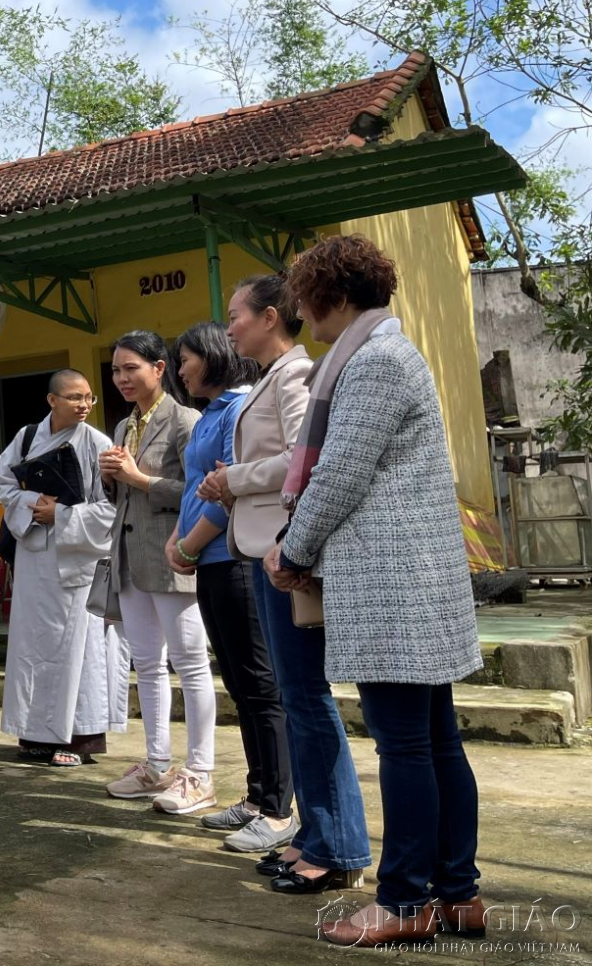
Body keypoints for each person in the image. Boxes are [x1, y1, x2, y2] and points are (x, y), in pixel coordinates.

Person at [265, 235, 482, 948]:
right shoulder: (381, 354)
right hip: (413, 581)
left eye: (304, 294)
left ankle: (404, 900)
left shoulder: (374, 361)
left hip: (395, 586)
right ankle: (456, 893)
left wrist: (292, 548)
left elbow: (341, 474)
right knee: (435, 742)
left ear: (333, 294)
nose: (300, 308)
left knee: (408, 748)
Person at [200, 274, 372, 887]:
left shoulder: (297, 374)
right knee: (298, 699)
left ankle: (339, 846)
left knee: (305, 698)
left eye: (236, 314)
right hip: (266, 551)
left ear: (271, 317)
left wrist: (236, 479)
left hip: (286, 553)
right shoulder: (268, 380)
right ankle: (316, 834)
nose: (229, 327)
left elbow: (306, 458)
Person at [169, 322, 294, 846]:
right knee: (241, 687)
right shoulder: (209, 416)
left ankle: (279, 808)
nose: (181, 371)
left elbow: (231, 493)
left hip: (234, 557)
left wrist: (189, 543)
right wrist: (178, 539)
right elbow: (198, 490)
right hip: (209, 563)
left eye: (186, 359)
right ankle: (256, 793)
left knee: (261, 685)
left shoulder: (240, 409)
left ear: (215, 356)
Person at [99, 331, 214, 813]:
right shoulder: (126, 425)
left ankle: (201, 770)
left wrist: (138, 479)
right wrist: (110, 480)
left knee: (190, 662)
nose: (122, 378)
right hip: (129, 556)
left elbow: (198, 489)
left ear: (160, 368)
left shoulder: (186, 421)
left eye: (131, 368)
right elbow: (122, 497)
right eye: (116, 370)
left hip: (171, 556)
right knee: (145, 663)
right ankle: (156, 762)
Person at [0, 369, 127, 767]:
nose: (84, 404)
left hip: (77, 560)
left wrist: (63, 514)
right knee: (32, 644)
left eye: (89, 397)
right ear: (52, 400)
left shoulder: (98, 443)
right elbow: (1, 482)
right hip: (35, 555)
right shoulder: (28, 437)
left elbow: (111, 507)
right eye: (74, 397)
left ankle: (78, 738)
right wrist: (35, 505)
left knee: (78, 649)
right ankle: (35, 734)